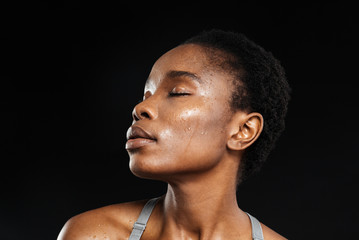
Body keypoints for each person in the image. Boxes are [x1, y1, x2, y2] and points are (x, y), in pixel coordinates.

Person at [58, 29, 290, 240]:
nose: (140, 108)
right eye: (146, 95)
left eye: (178, 92)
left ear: (243, 130)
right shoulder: (92, 234)